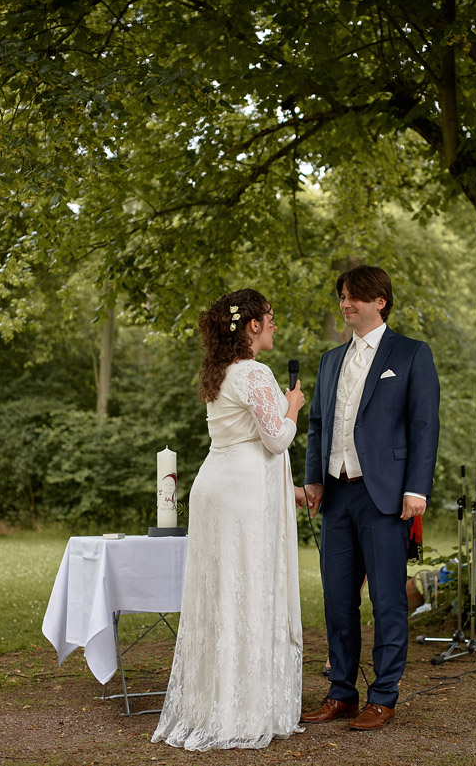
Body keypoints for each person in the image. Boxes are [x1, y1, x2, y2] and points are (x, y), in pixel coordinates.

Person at [152, 289, 307, 750]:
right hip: (242, 492)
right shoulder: (255, 372)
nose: (275, 326)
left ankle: (215, 704)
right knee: (247, 592)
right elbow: (277, 438)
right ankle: (242, 710)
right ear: (252, 326)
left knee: (220, 596)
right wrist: (293, 406)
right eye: (271, 318)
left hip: (215, 484)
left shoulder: (219, 372)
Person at [300, 265, 439, 731]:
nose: (345, 304)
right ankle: (341, 692)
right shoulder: (329, 359)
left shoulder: (412, 354)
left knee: (386, 601)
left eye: (354, 297)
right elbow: (318, 422)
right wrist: (313, 478)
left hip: (386, 497)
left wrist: (417, 487)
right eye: (342, 296)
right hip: (336, 494)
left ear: (380, 301)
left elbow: (423, 426)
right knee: (338, 601)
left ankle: (384, 696)